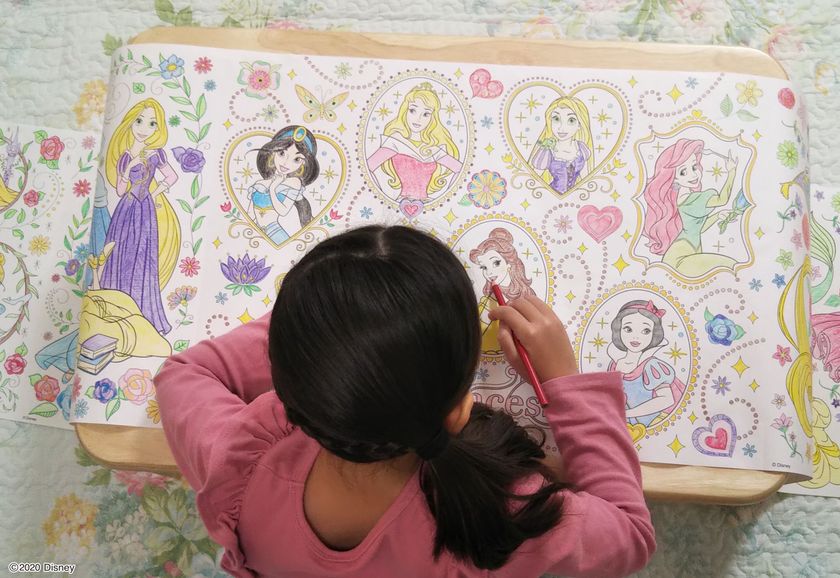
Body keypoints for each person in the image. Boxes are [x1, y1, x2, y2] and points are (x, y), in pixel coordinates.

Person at [155, 226, 655, 578]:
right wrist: (564, 381)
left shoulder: (240, 463)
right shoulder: (502, 515)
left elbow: (182, 375)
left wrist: (321, 332)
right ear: (458, 412)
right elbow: (630, 536)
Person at [99, 98, 180, 334]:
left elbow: (172, 177)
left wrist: (154, 192)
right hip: (126, 209)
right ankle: (116, 313)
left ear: (158, 127)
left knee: (143, 258)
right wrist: (127, 168)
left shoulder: (156, 154)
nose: (144, 128)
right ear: (131, 122)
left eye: (152, 123)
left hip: (145, 210)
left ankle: (142, 315)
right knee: (120, 255)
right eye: (140, 121)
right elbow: (120, 190)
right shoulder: (125, 156)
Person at [641, 138, 738, 277]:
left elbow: (697, 229)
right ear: (673, 178)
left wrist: (717, 216)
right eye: (683, 172)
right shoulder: (692, 200)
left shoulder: (683, 199)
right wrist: (732, 171)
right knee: (730, 266)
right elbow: (722, 200)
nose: (693, 174)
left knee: (729, 268)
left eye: (694, 167)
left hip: (683, 256)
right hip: (679, 261)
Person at [366, 83, 462, 201]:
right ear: (405, 111)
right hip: (401, 203)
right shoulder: (396, 141)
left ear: (432, 118)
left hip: (426, 204)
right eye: (412, 110)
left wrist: (446, 198)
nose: (418, 118)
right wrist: (381, 196)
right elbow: (368, 166)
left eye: (426, 114)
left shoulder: (433, 147)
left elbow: (460, 170)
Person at [246, 125, 319, 244]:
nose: (285, 163)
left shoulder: (294, 183)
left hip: (275, 234)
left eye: (297, 159)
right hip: (256, 234)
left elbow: (283, 211)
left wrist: (273, 189)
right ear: (273, 152)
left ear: (304, 164)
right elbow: (249, 214)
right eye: (281, 153)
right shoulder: (260, 183)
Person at [469, 227, 536, 355]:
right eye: (484, 267)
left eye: (496, 263)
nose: (489, 272)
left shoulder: (526, 297)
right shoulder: (486, 302)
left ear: (509, 263)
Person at [529, 96, 594, 194]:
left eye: (571, 120)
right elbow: (533, 181)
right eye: (556, 119)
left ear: (579, 125)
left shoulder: (581, 148)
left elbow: (586, 179)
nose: (562, 128)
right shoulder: (547, 150)